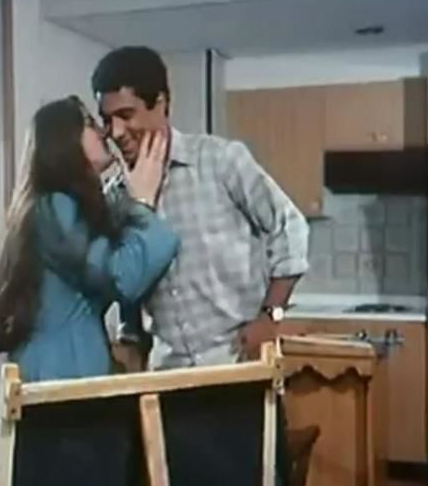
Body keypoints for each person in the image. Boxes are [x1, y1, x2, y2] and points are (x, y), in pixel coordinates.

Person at [92, 46, 310, 369]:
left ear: (160, 104)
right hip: (168, 375)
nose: (116, 132)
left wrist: (271, 316)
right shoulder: (116, 197)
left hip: (239, 364)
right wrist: (130, 335)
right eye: (107, 121)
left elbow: (290, 227)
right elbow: (128, 281)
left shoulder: (221, 161)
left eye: (126, 115)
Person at [0, 96, 180, 382]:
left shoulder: (57, 207)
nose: (104, 132)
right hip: (60, 381)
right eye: (90, 123)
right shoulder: (54, 208)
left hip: (63, 376)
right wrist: (142, 204)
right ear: (65, 139)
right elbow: (122, 277)